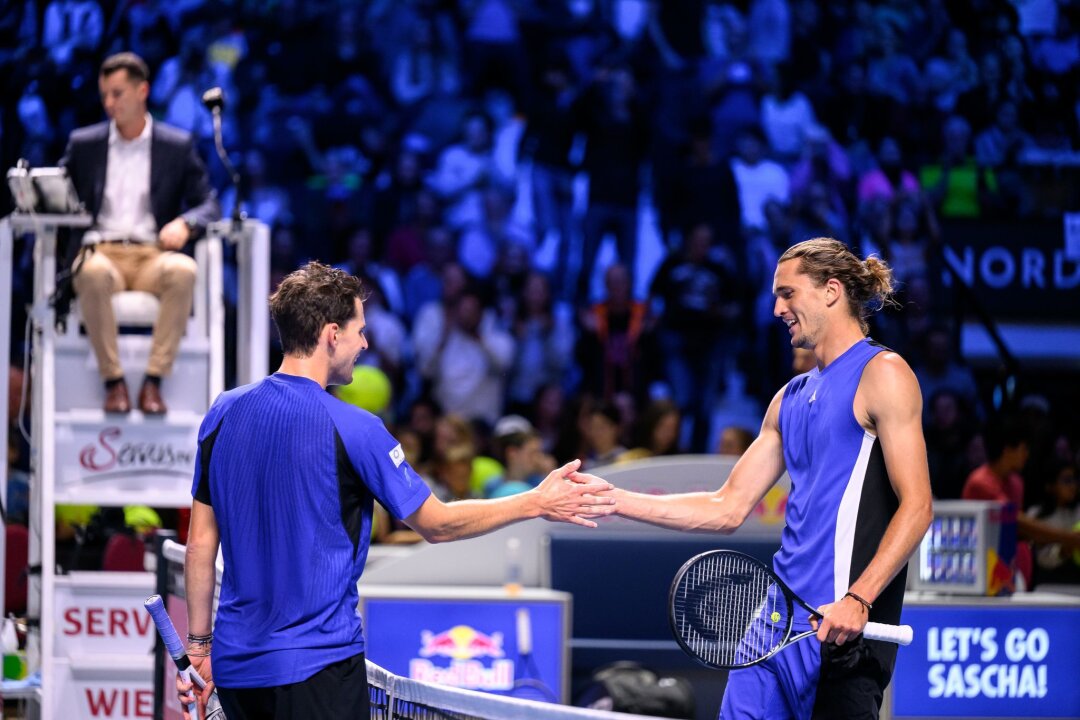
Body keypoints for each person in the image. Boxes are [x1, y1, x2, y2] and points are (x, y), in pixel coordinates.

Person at [178, 262, 614, 720]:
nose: (365, 344)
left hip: (236, 670)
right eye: (359, 330)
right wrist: (535, 501)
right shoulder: (356, 428)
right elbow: (438, 525)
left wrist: (200, 646)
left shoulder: (223, 412)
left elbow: (201, 543)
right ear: (331, 335)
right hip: (317, 670)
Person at [577, 238, 934, 719]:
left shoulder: (884, 373)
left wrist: (857, 599)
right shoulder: (788, 399)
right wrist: (614, 499)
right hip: (772, 627)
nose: (776, 309)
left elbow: (917, 506)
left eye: (788, 294)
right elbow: (726, 506)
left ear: (831, 291)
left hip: (842, 631)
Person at [60, 51, 220, 414]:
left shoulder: (175, 146)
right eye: (105, 95)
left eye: (117, 94)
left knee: (184, 271)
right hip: (101, 251)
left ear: (143, 90)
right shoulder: (85, 144)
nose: (109, 103)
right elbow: (59, 192)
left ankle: (154, 380)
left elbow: (209, 204)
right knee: (90, 272)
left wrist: (185, 223)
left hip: (152, 254)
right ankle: (113, 381)